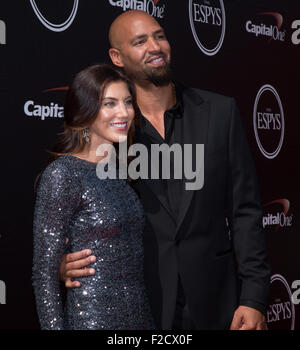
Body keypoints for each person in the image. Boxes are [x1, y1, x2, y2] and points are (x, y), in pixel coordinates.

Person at [60, 11, 271, 330]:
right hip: (136, 303)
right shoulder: (105, 127)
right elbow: (74, 203)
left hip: (215, 302)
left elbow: (245, 211)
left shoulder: (220, 113)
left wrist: (254, 297)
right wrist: (63, 260)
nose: (154, 46)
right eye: (140, 41)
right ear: (117, 57)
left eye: (159, 36)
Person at [32, 63, 155, 330]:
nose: (124, 113)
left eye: (127, 102)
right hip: (93, 320)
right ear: (85, 110)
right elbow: (43, 276)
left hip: (140, 319)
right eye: (109, 104)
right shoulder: (63, 174)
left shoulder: (118, 171)